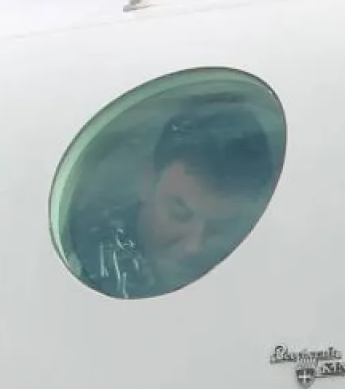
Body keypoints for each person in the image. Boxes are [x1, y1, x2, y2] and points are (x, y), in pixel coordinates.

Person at [68, 100, 275, 299]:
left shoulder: (264, 273)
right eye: (179, 214)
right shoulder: (87, 263)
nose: (194, 246)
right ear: (147, 181)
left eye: (219, 228)